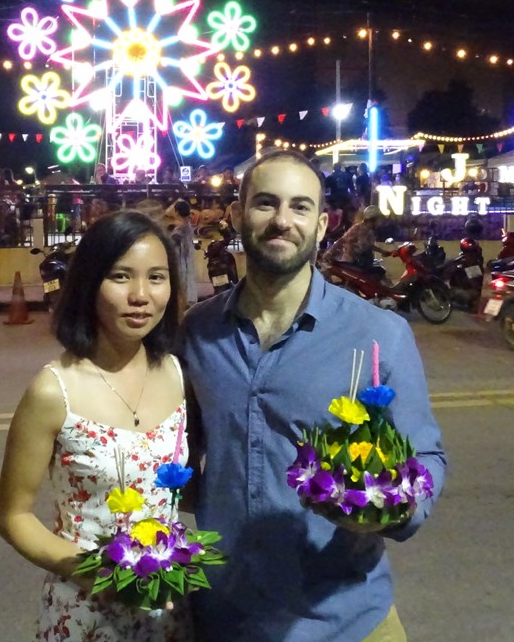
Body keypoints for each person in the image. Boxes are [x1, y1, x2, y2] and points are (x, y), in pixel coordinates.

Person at [180, 149, 446, 642]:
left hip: (344, 619)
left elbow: (425, 458)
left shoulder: (378, 335)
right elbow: (182, 452)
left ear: (323, 224)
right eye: (265, 203)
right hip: (225, 617)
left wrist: (390, 505)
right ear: (237, 215)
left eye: (300, 207)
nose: (282, 220)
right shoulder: (198, 332)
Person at [0, 210, 193, 642]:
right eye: (121, 277)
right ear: (89, 284)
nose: (140, 295)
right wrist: (92, 571)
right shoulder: (53, 391)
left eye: (156, 278)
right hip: (85, 612)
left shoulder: (179, 374)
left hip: (167, 613)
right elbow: (13, 516)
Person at [322, 204, 391, 270]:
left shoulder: (370, 231)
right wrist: (329, 253)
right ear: (373, 219)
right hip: (352, 263)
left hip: (362, 263)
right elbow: (342, 240)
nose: (380, 222)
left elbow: (369, 246)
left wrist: (382, 251)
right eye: (379, 219)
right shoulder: (357, 228)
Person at [170, 199, 198, 305]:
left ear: (177, 212)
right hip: (188, 257)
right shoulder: (188, 225)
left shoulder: (178, 228)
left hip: (180, 259)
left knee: (181, 280)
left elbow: (172, 244)